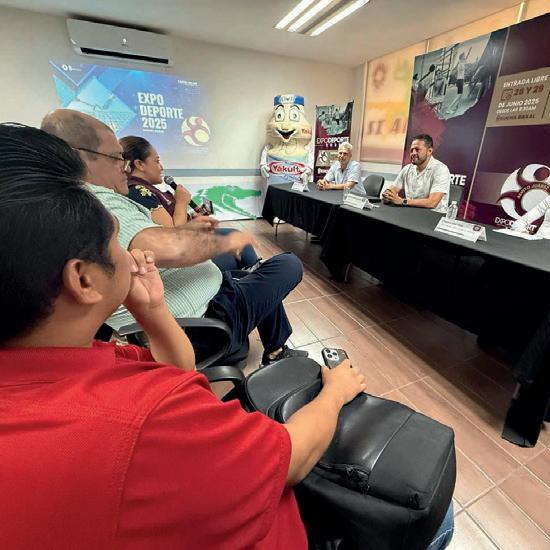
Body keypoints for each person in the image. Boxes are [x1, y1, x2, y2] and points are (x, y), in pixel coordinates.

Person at [0, 122, 368, 549]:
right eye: (117, 240)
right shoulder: (146, 420)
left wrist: (154, 311)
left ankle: (275, 342)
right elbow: (292, 458)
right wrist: (335, 393)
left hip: (187, 315)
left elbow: (177, 371)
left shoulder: (86, 359)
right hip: (281, 518)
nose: (132, 255)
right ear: (83, 280)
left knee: (257, 282)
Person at [41, 109, 306, 366]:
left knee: (257, 276)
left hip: (200, 300)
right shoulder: (98, 201)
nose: (124, 167)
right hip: (204, 320)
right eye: (116, 158)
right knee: (288, 264)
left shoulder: (74, 201)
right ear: (81, 156)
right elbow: (165, 246)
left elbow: (157, 237)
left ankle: (275, 349)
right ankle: (266, 346)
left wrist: (189, 231)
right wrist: (225, 241)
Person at [119, 135, 259, 272]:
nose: (161, 167)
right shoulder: (139, 192)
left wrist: (193, 220)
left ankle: (255, 271)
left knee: (235, 237)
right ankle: (256, 273)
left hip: (186, 245)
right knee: (238, 248)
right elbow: (173, 236)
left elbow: (175, 222)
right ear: (139, 164)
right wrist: (181, 202)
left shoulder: (145, 189)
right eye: (157, 161)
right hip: (178, 262)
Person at [382, 134, 450, 213]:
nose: (413, 153)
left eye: (417, 150)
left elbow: (432, 203)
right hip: (411, 212)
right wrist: (388, 195)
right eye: (411, 150)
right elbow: (392, 190)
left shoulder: (441, 169)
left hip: (433, 215)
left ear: (429, 151)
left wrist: (402, 201)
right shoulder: (407, 169)